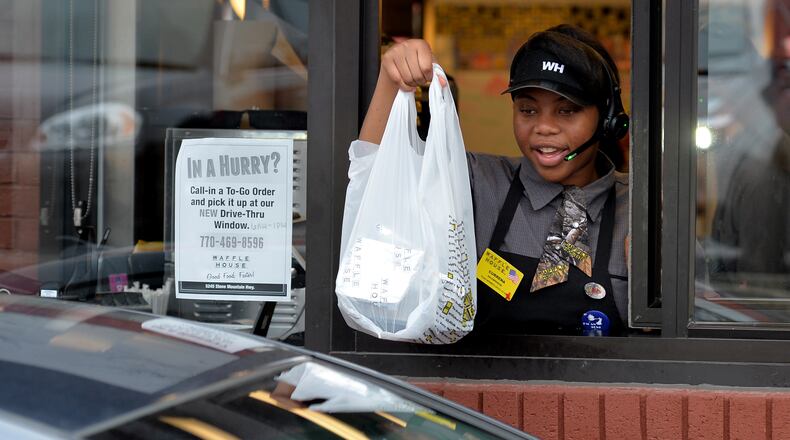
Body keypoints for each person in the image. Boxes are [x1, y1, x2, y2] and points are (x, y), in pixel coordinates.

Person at [353, 25, 630, 336]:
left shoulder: (639, 211)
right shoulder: (475, 183)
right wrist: (390, 83)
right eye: (528, 110)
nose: (544, 127)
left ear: (608, 119)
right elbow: (377, 183)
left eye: (566, 111)